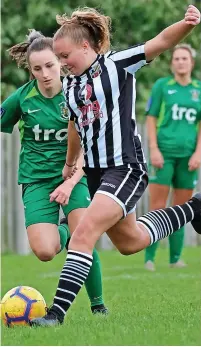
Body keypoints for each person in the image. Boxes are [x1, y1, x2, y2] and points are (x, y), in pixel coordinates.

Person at [30, 5, 201, 327]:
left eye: (65, 55)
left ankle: (55, 315)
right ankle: (194, 209)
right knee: (130, 242)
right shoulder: (70, 86)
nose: (62, 63)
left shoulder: (118, 64)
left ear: (86, 46)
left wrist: (187, 23)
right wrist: (70, 163)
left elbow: (161, 41)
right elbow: (74, 129)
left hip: (125, 167)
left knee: (82, 235)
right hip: (96, 173)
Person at [1, 29, 108, 315]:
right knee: (46, 251)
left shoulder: (78, 94)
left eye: (50, 65)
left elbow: (91, 144)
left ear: (59, 62)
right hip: (35, 180)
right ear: (31, 70)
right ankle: (66, 232)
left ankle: (98, 306)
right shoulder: (22, 99)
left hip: (75, 176)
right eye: (37, 68)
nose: (45, 73)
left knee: (83, 233)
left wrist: (72, 179)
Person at [144, 44, 201, 271]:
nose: (180, 62)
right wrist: (154, 149)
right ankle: (149, 258)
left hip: (188, 158)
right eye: (176, 58)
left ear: (191, 63)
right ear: (172, 63)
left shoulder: (198, 89)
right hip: (164, 155)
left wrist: (198, 153)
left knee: (182, 208)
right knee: (157, 206)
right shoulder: (162, 87)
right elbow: (150, 118)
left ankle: (175, 258)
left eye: (184, 58)